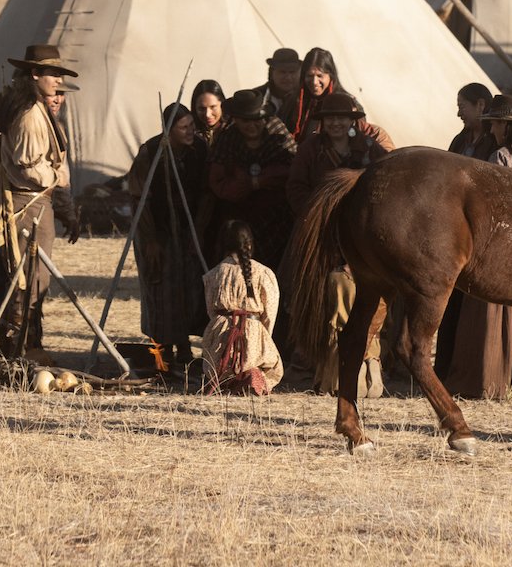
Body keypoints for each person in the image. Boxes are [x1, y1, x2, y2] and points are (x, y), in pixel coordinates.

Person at [0, 44, 77, 361]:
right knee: (25, 281)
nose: (57, 82)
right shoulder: (29, 114)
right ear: (35, 74)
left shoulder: (36, 109)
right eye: (53, 74)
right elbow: (28, 163)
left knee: (27, 280)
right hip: (28, 206)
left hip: (32, 204)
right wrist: (55, 176)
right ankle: (16, 349)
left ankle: (17, 346)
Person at [445, 95, 512, 401]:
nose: (491, 129)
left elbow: (491, 206)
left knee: (490, 310)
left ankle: (489, 379)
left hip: (505, 246)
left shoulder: (502, 157)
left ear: (504, 126)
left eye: (494, 123)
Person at [287, 90, 394, 397]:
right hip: (317, 233)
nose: (335, 123)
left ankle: (368, 365)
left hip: (359, 232)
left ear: (352, 121)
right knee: (314, 294)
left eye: (341, 118)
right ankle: (317, 366)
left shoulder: (370, 149)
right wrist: (314, 214)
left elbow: (384, 188)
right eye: (330, 118)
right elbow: (295, 187)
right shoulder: (311, 149)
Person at [123, 102, 208, 367]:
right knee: (161, 291)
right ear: (169, 130)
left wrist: (200, 230)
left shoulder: (200, 149)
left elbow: (207, 191)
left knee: (188, 289)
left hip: (188, 232)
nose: (190, 131)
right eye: (184, 127)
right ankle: (163, 352)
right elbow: (140, 198)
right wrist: (150, 240)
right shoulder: (151, 152)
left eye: (192, 125)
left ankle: (185, 348)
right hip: (157, 234)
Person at [206, 90, 296, 272]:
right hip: (240, 218)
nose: (252, 125)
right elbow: (217, 181)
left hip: (278, 219)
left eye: (257, 120)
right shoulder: (228, 138)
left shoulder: (277, 131)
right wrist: (242, 185)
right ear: (236, 120)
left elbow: (294, 171)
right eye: (246, 120)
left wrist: (262, 180)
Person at [201, 219, 284, 395]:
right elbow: (270, 312)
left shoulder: (213, 274)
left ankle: (227, 380)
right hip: (254, 333)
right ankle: (250, 377)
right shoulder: (264, 273)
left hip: (220, 333)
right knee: (267, 364)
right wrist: (263, 336)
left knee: (217, 366)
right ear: (250, 243)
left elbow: (211, 311)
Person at [228, 47, 305, 137]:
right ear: (272, 72)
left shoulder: (306, 100)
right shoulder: (255, 97)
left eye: (292, 72)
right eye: (282, 72)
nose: (288, 77)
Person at [448, 82, 495, 160]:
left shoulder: (496, 144)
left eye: (462, 107)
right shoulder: (459, 141)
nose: (459, 114)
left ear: (480, 104)